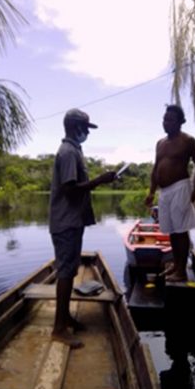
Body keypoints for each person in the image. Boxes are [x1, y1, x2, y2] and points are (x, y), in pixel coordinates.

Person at [49, 108, 116, 348]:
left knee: (70, 269)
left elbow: (76, 185)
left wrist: (97, 181)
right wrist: (99, 181)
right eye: (85, 128)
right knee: (66, 273)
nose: (87, 132)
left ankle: (65, 318)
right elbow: (69, 189)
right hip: (65, 222)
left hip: (72, 221)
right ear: (75, 127)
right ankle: (58, 329)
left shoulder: (75, 150)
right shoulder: (68, 152)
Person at [145, 105, 195, 282]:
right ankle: (176, 265)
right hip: (164, 191)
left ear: (180, 122)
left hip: (181, 187)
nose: (166, 122)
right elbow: (156, 168)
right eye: (164, 119)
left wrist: (194, 192)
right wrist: (151, 192)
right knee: (171, 230)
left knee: (181, 231)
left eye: (170, 119)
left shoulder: (188, 141)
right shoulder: (160, 143)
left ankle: (181, 271)